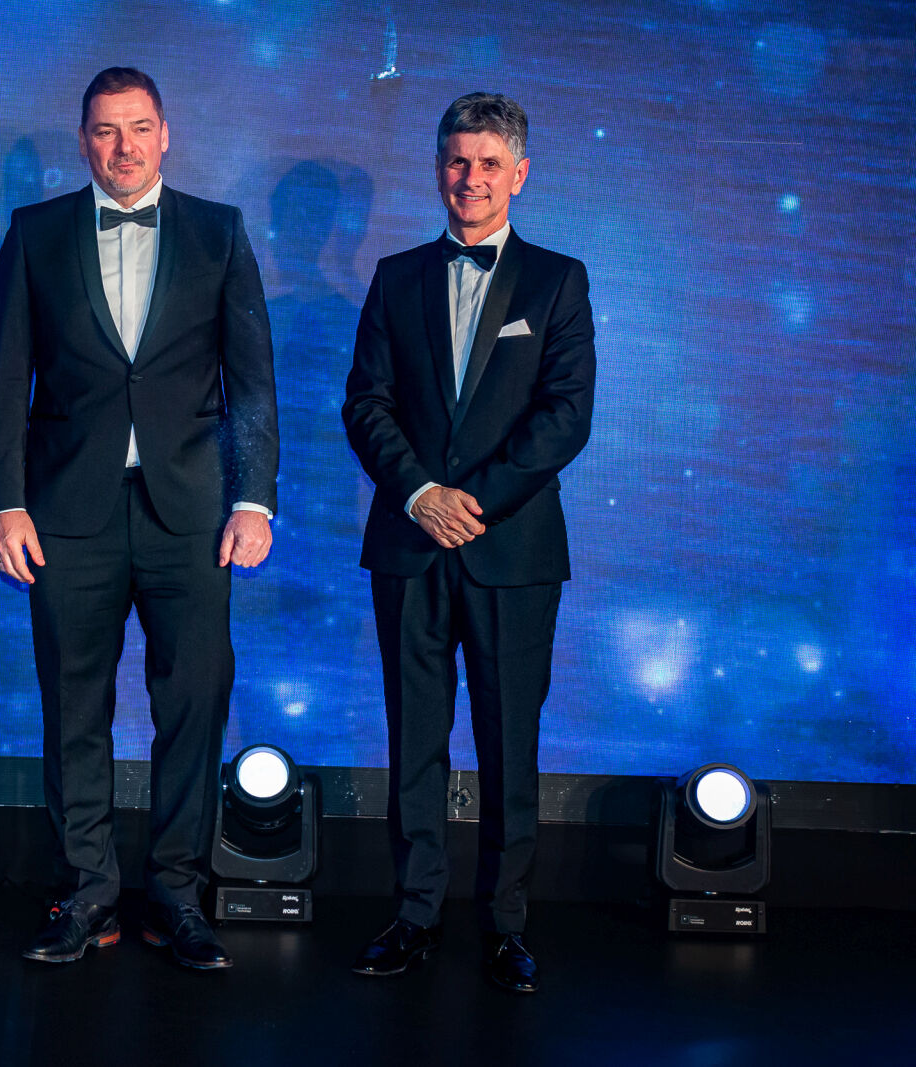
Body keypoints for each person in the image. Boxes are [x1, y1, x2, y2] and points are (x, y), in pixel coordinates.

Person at [0, 67, 278, 970]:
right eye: (106, 130)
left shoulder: (218, 231)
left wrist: (253, 498)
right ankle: (87, 892)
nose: (123, 146)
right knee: (75, 707)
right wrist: (6, 501)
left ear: (165, 133)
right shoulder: (35, 233)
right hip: (66, 514)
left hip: (191, 515)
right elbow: (5, 380)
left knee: (192, 705)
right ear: (83, 140)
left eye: (139, 127)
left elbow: (251, 380)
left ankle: (178, 893)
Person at [341, 92, 595, 993]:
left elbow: (566, 416)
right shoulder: (396, 276)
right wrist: (420, 495)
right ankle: (414, 914)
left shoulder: (558, 280)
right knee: (414, 739)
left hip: (511, 550)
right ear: (438, 168)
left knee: (508, 741)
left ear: (519, 174)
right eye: (458, 160)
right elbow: (365, 403)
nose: (471, 178)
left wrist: (468, 503)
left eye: (489, 163)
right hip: (410, 543)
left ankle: (505, 923)